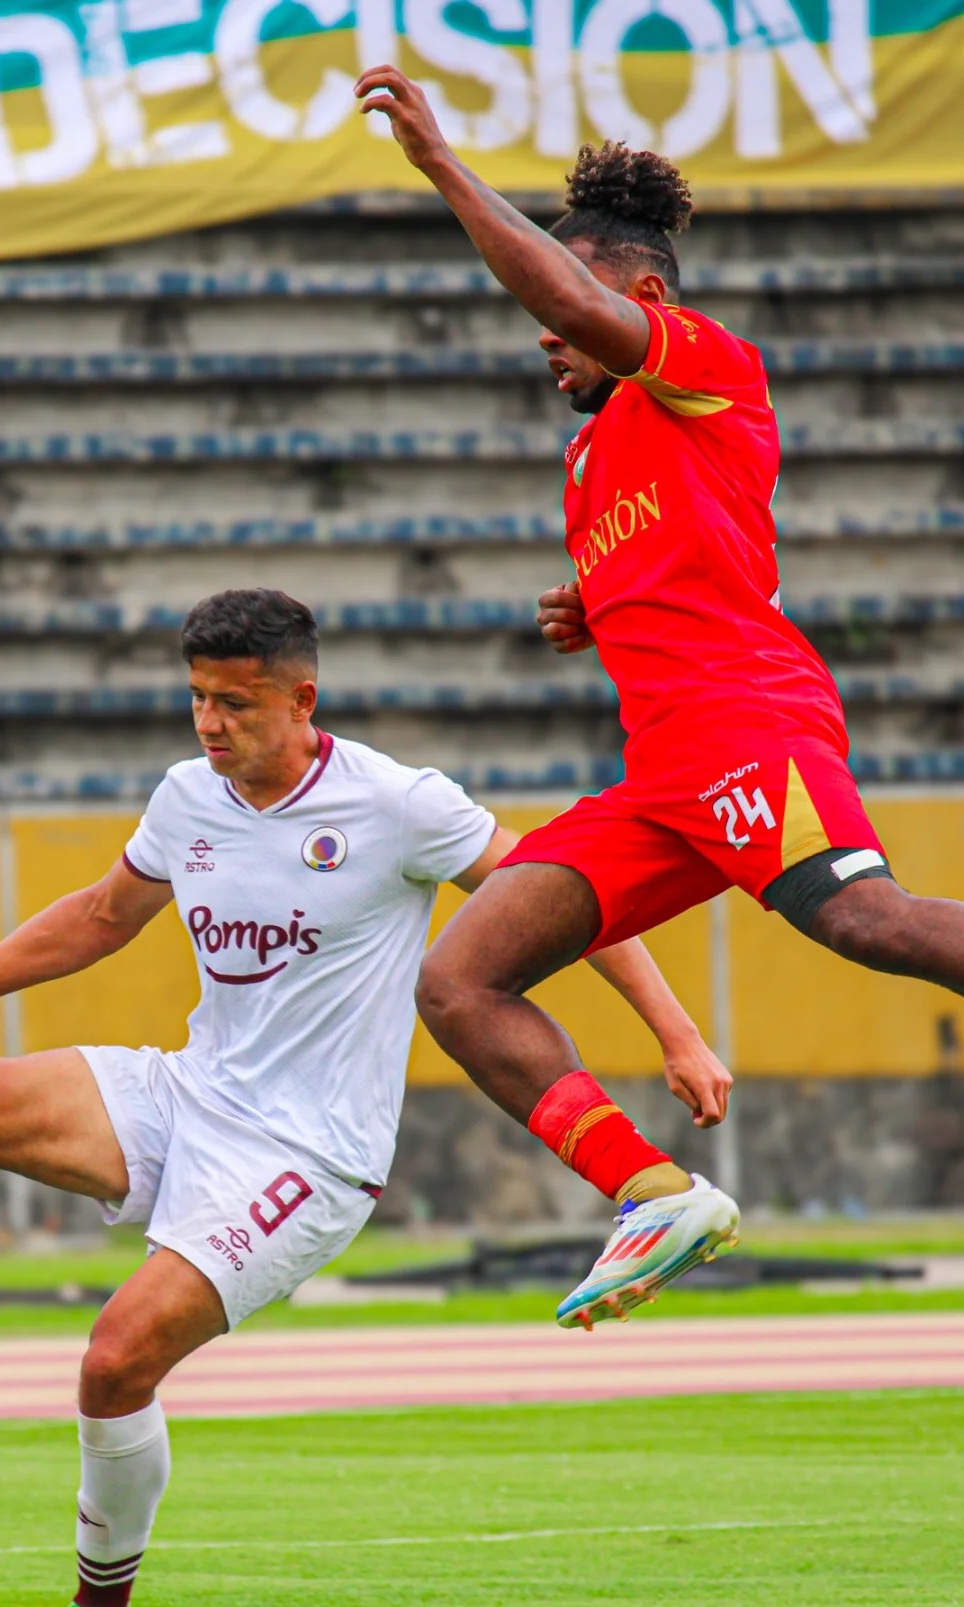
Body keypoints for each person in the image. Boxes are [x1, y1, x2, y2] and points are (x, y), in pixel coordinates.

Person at [0, 588, 728, 1607]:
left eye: (234, 702)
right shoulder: (188, 798)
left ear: (301, 700)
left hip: (308, 1159)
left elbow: (573, 897)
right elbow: (98, 916)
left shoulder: (397, 804)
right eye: (197, 697)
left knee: (116, 1360)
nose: (210, 722)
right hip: (191, 1094)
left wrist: (677, 1036)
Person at [357, 67, 964, 1328]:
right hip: (664, 773)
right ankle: (652, 1193)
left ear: (640, 297)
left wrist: (438, 168)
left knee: (865, 924)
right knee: (461, 981)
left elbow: (560, 290)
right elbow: (691, 550)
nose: (546, 336)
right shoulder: (592, 454)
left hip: (750, 725)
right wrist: (600, 604)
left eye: (572, 312)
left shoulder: (707, 364)